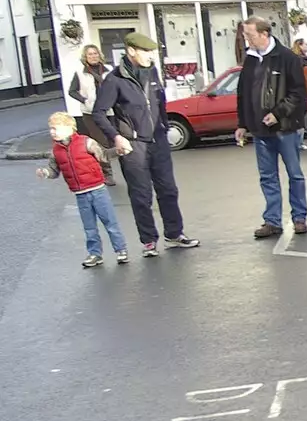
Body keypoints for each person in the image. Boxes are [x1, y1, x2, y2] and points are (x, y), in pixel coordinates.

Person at [90, 32, 201, 257]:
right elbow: (99, 113)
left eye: (152, 51)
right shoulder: (114, 79)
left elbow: (159, 100)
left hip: (157, 140)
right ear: (131, 51)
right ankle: (149, 241)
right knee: (141, 195)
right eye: (146, 51)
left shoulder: (151, 71)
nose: (151, 56)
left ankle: (174, 234)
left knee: (168, 190)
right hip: (133, 144)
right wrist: (117, 137)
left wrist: (163, 124)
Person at [235, 16, 307, 239]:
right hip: (260, 131)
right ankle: (272, 221)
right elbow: (243, 95)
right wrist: (242, 124)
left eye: (250, 35)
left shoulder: (287, 58)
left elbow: (298, 93)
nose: (246, 39)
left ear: (264, 34)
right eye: (245, 35)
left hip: (286, 128)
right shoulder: (249, 60)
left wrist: (277, 114)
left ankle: (299, 217)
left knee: (294, 174)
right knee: (267, 177)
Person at [36, 112, 128, 268]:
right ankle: (95, 254)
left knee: (109, 222)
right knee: (89, 227)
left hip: (98, 190)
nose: (51, 132)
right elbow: (54, 171)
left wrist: (118, 151)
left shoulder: (86, 142)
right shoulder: (55, 151)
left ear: (68, 128)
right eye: (50, 128)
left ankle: (121, 250)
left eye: (55, 128)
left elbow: (103, 155)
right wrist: (45, 173)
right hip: (80, 194)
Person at [66, 46, 116, 184]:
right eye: (90, 54)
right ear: (85, 57)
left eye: (95, 53)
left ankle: (98, 166)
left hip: (109, 111)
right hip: (90, 113)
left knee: (113, 140)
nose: (93, 56)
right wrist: (85, 100)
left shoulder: (109, 70)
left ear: (99, 55)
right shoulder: (80, 73)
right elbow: (72, 91)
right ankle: (107, 173)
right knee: (101, 142)